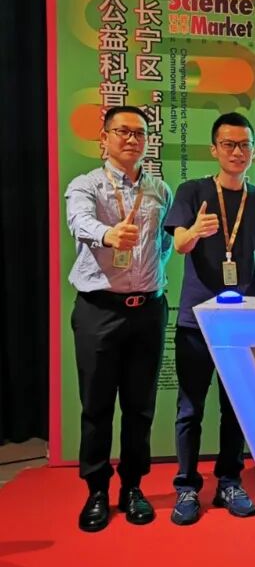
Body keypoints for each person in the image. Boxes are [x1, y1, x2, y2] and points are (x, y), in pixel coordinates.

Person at [164, 112, 255, 525]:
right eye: (229, 144)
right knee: (190, 407)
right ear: (214, 149)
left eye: (244, 145)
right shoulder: (192, 191)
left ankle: (230, 480)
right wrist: (195, 229)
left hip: (242, 323)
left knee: (237, 408)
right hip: (197, 321)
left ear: (253, 151)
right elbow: (179, 244)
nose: (237, 152)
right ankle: (187, 486)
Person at [65, 106, 173, 531]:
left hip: (148, 310)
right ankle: (96, 490)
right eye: (123, 131)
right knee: (96, 406)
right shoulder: (86, 185)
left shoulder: (160, 189)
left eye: (140, 133)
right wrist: (108, 235)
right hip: (100, 310)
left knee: (140, 406)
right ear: (104, 138)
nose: (132, 139)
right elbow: (79, 222)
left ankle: (132, 487)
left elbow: (163, 245)